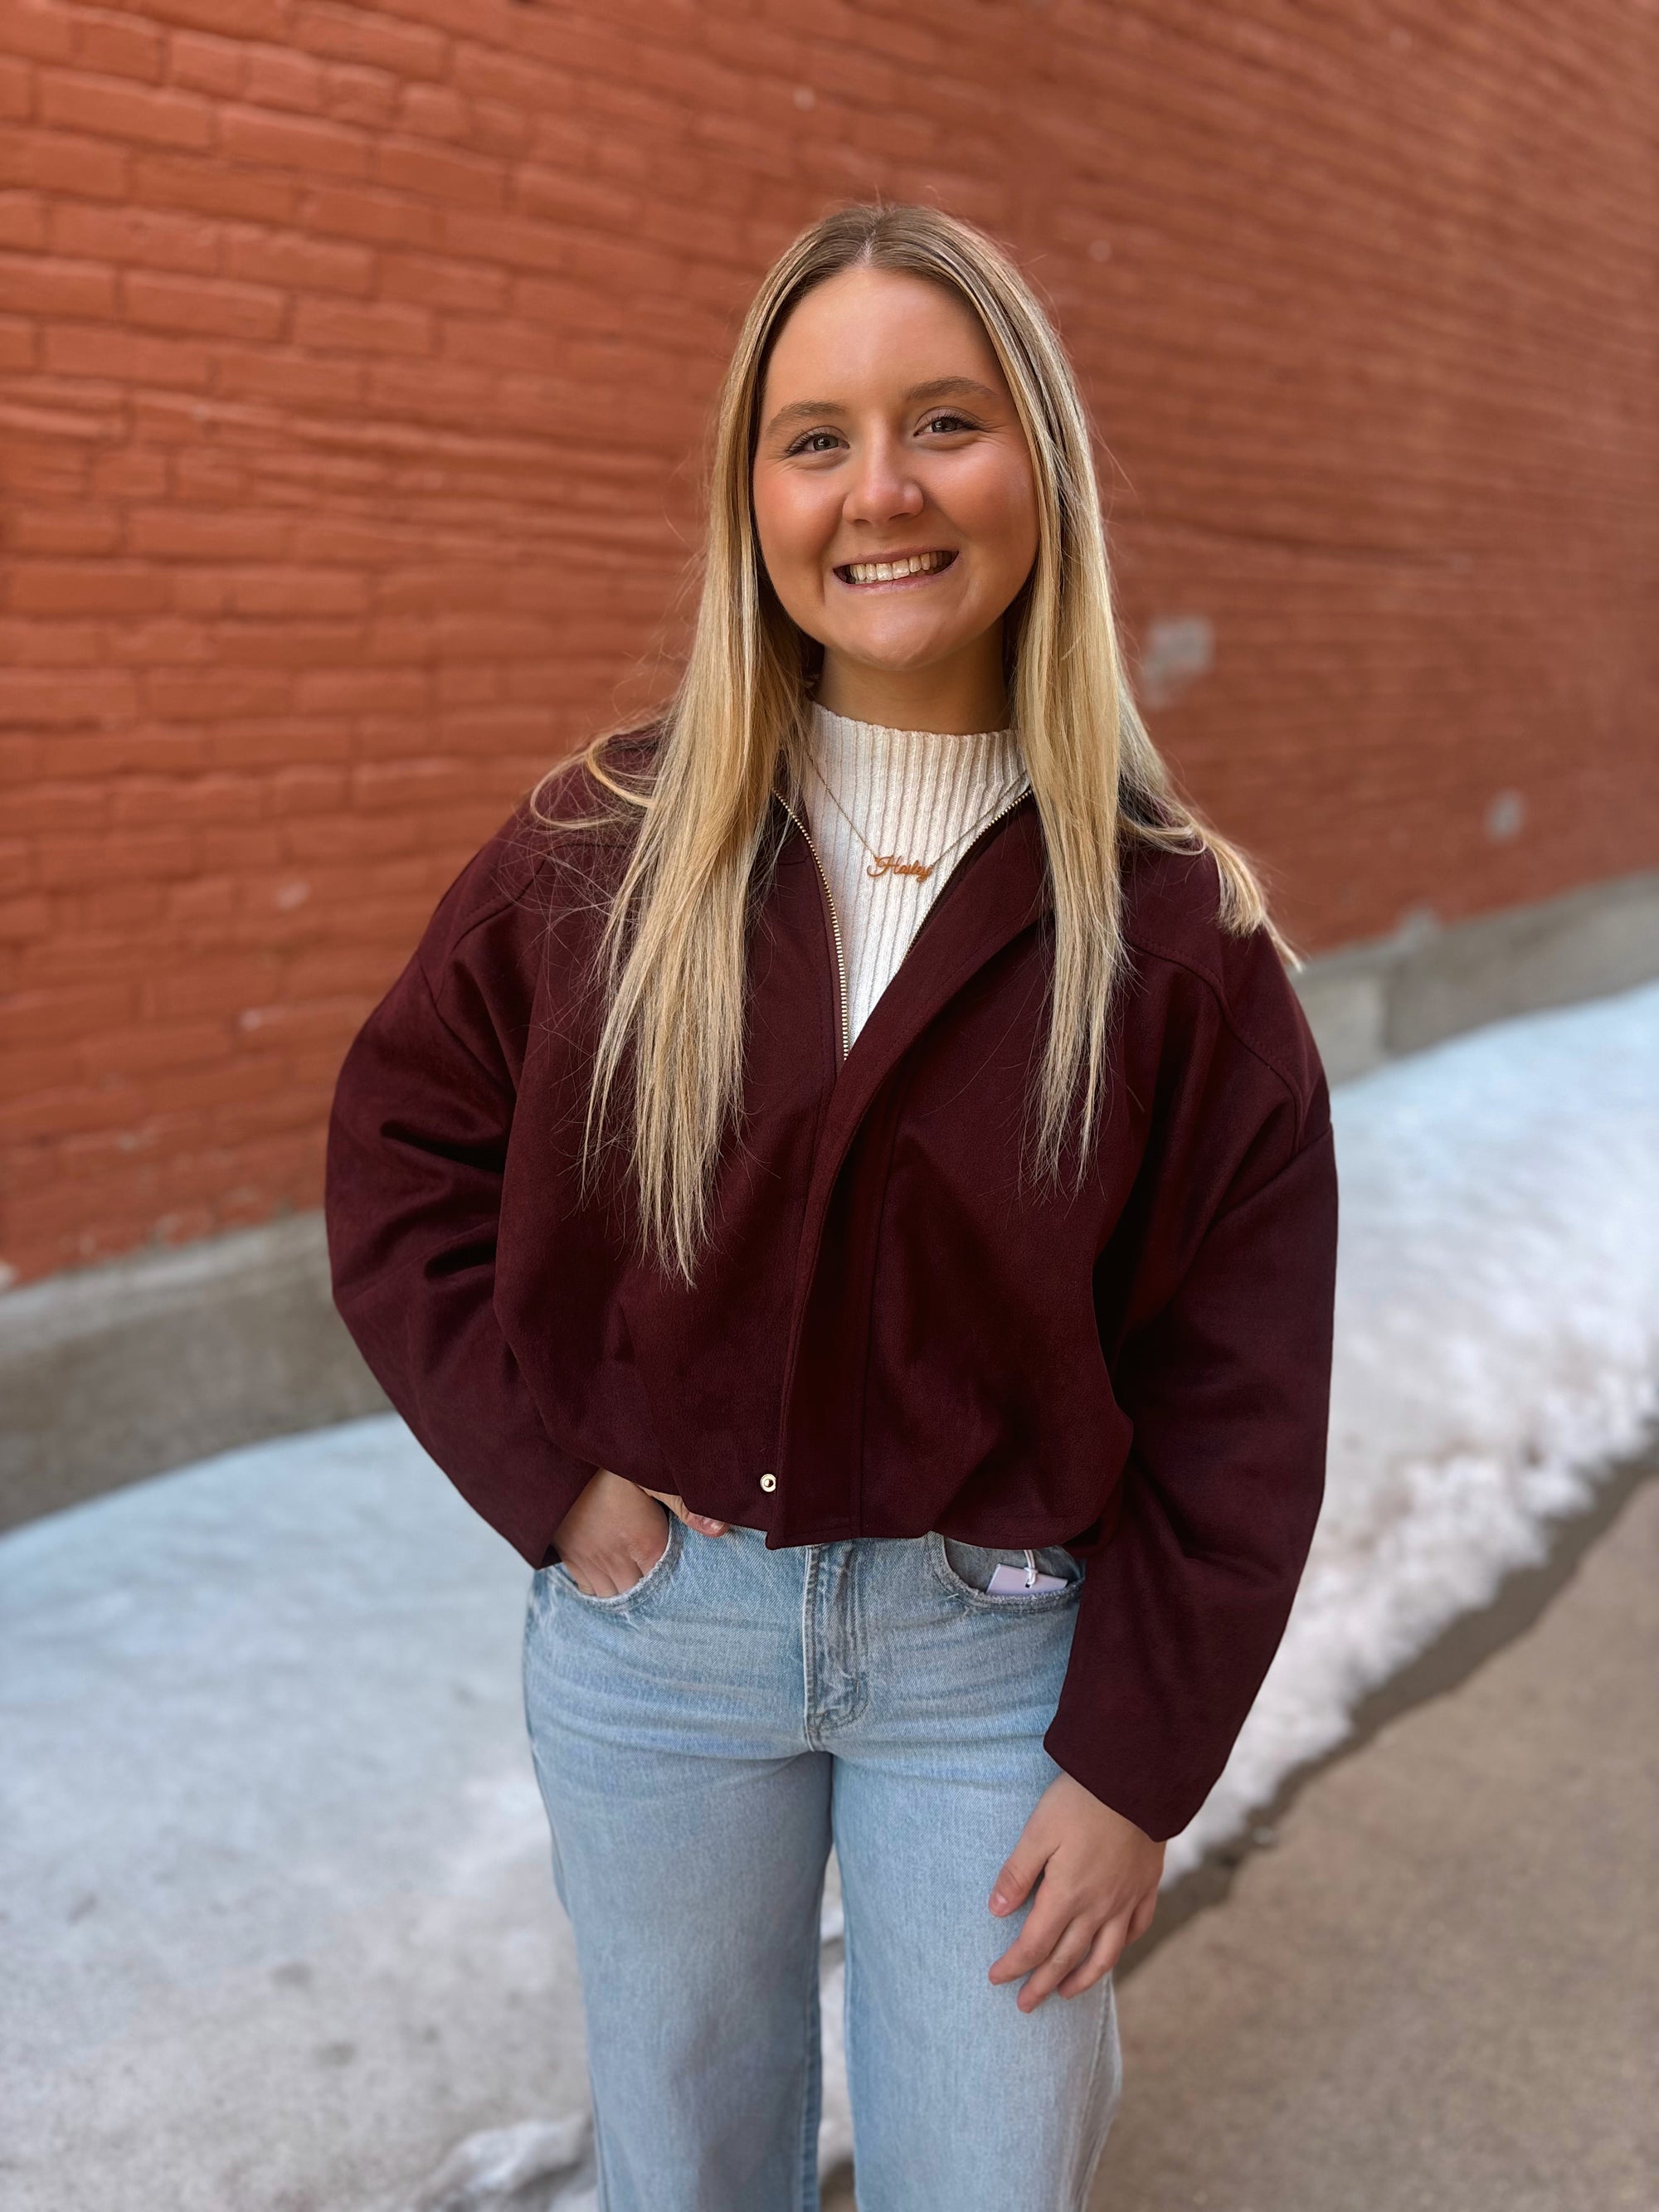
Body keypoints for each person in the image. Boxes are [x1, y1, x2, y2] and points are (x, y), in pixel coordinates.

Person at [324, 202, 1339, 2212]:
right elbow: (397, 1161)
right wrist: (561, 1485)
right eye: (816, 436)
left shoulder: (1176, 934)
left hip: (998, 1669)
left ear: (1035, 463)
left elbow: (1239, 1388)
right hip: (657, 1645)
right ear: (750, 493)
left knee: (988, 2166)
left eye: (944, 420)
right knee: (687, 2165)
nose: (879, 488)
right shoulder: (597, 852)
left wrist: (1138, 1758)